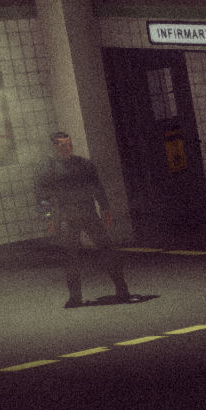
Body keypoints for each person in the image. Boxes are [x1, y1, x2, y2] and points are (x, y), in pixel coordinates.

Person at [35, 133, 141, 310]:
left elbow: (97, 187)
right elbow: (41, 197)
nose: (68, 147)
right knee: (70, 257)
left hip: (88, 213)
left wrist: (105, 209)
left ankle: (122, 291)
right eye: (63, 145)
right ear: (55, 146)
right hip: (67, 216)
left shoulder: (83, 164)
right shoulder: (48, 169)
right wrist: (47, 218)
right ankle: (75, 298)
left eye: (69, 144)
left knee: (107, 250)